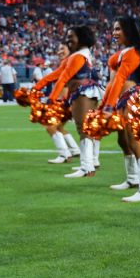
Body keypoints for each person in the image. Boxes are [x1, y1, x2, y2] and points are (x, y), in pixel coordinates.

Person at [99, 17, 140, 202]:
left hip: (132, 97)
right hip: (122, 100)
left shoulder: (132, 53)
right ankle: (132, 179)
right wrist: (104, 104)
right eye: (113, 29)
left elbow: (121, 78)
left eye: (118, 29)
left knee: (134, 141)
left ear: (129, 31)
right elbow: (113, 80)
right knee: (124, 141)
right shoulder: (124, 53)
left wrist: (107, 106)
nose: (114, 33)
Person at [49, 26, 104, 179]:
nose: (68, 39)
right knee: (87, 128)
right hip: (87, 92)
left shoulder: (79, 55)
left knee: (83, 128)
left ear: (81, 38)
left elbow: (63, 79)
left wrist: (50, 99)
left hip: (83, 92)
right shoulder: (84, 53)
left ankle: (87, 166)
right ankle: (91, 162)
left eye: (71, 36)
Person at [34, 43, 83, 163]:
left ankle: (64, 155)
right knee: (59, 128)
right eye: (58, 49)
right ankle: (75, 150)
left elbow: (63, 84)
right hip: (69, 101)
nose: (59, 51)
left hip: (64, 101)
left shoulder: (70, 63)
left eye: (62, 49)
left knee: (50, 127)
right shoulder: (71, 62)